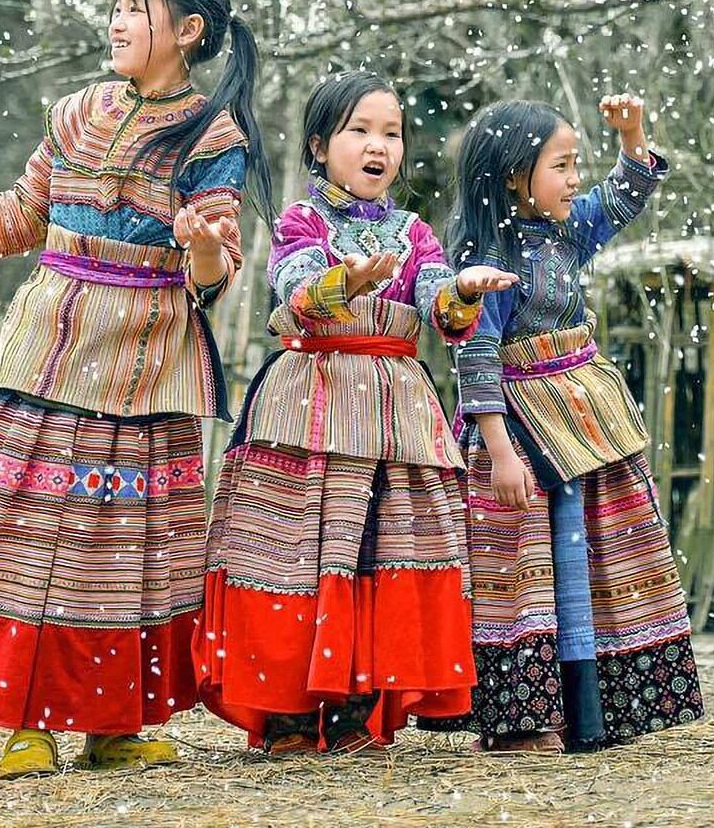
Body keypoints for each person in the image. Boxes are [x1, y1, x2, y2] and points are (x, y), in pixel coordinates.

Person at [0, 0, 271, 778]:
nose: (116, 23)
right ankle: (28, 721)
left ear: (187, 33)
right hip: (49, 352)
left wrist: (198, 247)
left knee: (127, 549)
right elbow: (15, 221)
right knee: (35, 538)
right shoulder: (76, 113)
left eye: (135, 11)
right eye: (114, 9)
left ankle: (115, 725)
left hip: (149, 361)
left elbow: (211, 280)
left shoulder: (214, 137)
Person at [195, 71, 515, 753]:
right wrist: (347, 281)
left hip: (396, 409)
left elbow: (438, 303)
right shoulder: (299, 221)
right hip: (309, 400)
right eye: (359, 131)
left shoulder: (415, 232)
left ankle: (354, 707)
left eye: (391, 133)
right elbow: (297, 288)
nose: (379, 146)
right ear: (318, 145)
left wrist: (461, 288)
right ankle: (286, 710)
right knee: (294, 553)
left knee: (381, 549)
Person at [440, 94, 703, 752]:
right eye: (562, 165)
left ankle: (594, 711)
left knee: (591, 564)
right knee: (528, 575)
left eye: (575, 163)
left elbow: (623, 198)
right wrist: (500, 453)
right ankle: (526, 722)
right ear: (511, 178)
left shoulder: (563, 233)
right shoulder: (485, 259)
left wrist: (633, 133)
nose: (575, 178)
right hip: (522, 436)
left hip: (582, 426)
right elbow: (474, 355)